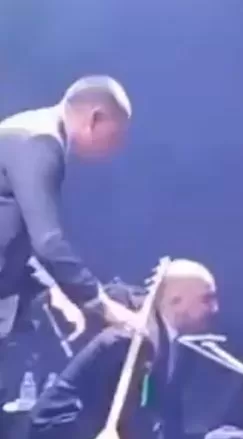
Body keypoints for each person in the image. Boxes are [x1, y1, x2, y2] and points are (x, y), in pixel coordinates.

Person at [26, 259, 219, 439]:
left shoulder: (164, 341)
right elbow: (140, 418)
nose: (215, 309)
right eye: (207, 299)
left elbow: (152, 416)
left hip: (95, 430)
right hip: (65, 431)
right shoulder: (137, 340)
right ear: (175, 301)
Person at [0, 76, 139, 341]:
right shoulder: (39, 143)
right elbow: (48, 242)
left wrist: (53, 289)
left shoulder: (29, 130)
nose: (119, 147)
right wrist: (101, 303)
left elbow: (13, 234)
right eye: (116, 136)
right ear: (95, 119)